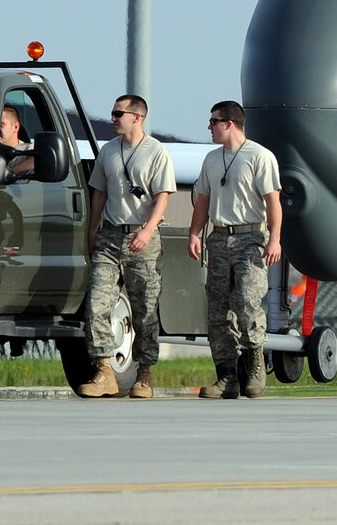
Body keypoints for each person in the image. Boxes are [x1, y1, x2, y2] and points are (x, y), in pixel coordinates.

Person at [78, 94, 175, 399]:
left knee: (145, 309)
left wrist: (147, 230)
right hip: (109, 237)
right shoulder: (108, 150)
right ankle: (104, 370)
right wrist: (93, 230)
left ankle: (144, 374)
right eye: (113, 112)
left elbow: (162, 197)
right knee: (97, 304)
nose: (113, 118)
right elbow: (99, 193)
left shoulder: (156, 152)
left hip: (141, 239)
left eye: (118, 113)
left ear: (137, 117)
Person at [187, 100, 283, 400]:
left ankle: (254, 364)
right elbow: (203, 199)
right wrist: (194, 233)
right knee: (217, 310)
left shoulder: (260, 156)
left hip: (250, 237)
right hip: (219, 238)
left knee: (247, 301)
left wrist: (275, 238)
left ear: (229, 123)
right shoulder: (211, 159)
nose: (209, 127)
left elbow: (273, 201)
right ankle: (226, 376)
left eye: (214, 121)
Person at [0, 105, 35, 180]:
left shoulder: (28, 150)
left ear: (16, 127)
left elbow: (36, 161)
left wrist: (7, 173)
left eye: (0, 125)